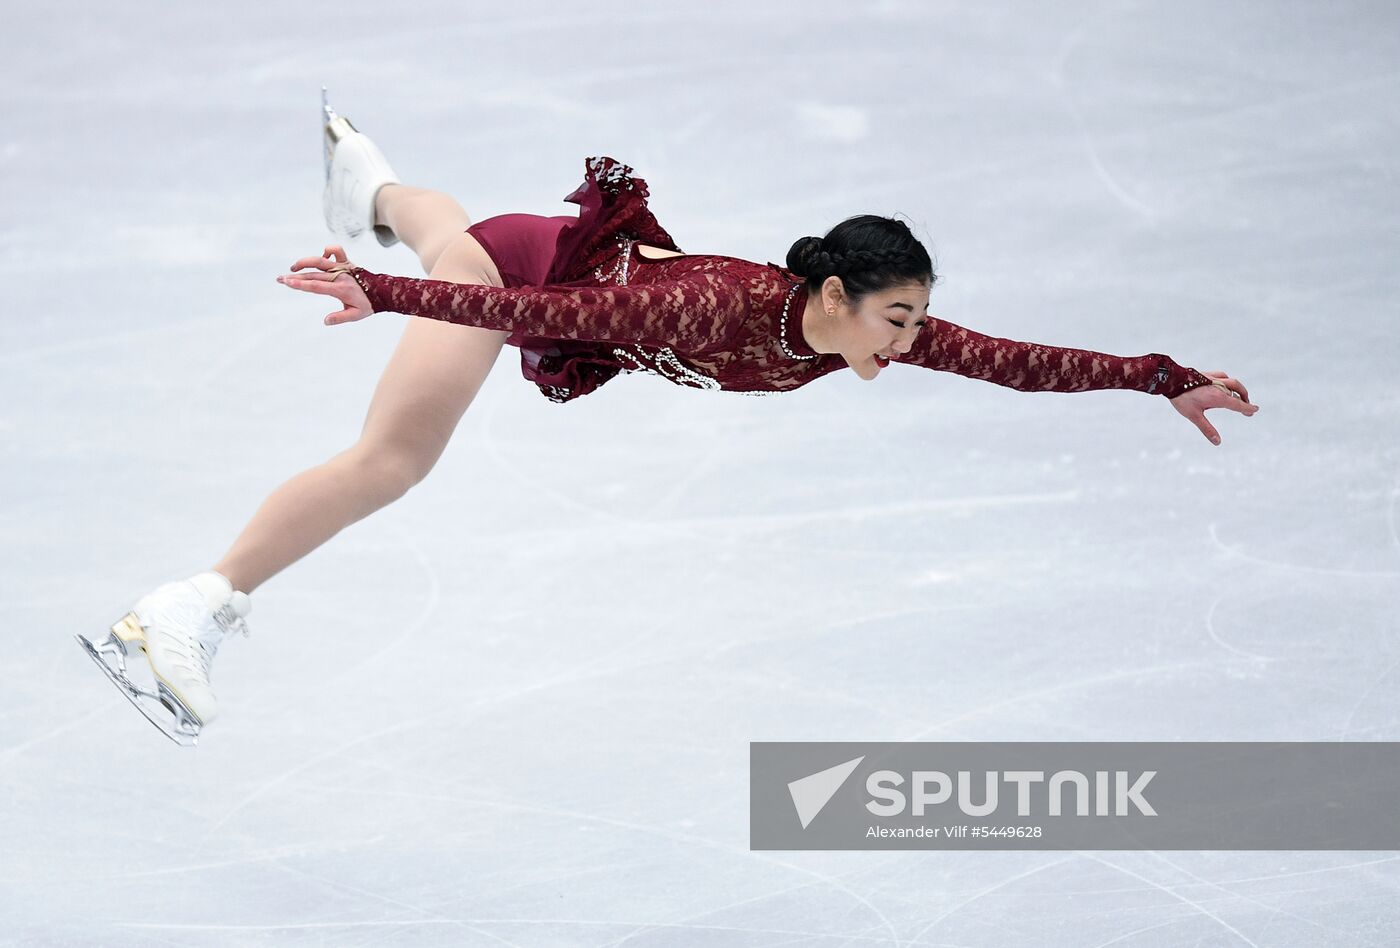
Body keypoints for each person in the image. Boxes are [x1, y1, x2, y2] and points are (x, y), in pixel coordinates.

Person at [77, 92, 1259, 746]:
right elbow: (529, 298)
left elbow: (1010, 361)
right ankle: (184, 610)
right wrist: (379, 292)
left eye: (916, 323)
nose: (910, 343)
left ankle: (369, 182)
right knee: (395, 456)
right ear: (835, 298)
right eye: (897, 320)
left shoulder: (844, 332)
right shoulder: (716, 309)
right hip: (526, 283)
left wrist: (1162, 376)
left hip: (527, 277)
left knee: (443, 228)